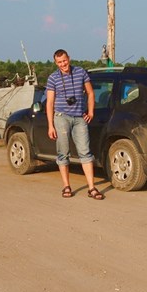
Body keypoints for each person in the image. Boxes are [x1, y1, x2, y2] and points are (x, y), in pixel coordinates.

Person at [46, 49, 104, 200]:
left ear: (69, 58)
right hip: (61, 117)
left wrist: (91, 112)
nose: (63, 64)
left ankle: (91, 188)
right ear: (55, 63)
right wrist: (50, 125)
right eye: (59, 62)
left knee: (85, 151)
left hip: (79, 118)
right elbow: (50, 102)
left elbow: (91, 93)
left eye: (64, 61)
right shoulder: (53, 78)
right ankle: (66, 186)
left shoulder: (80, 72)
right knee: (63, 152)